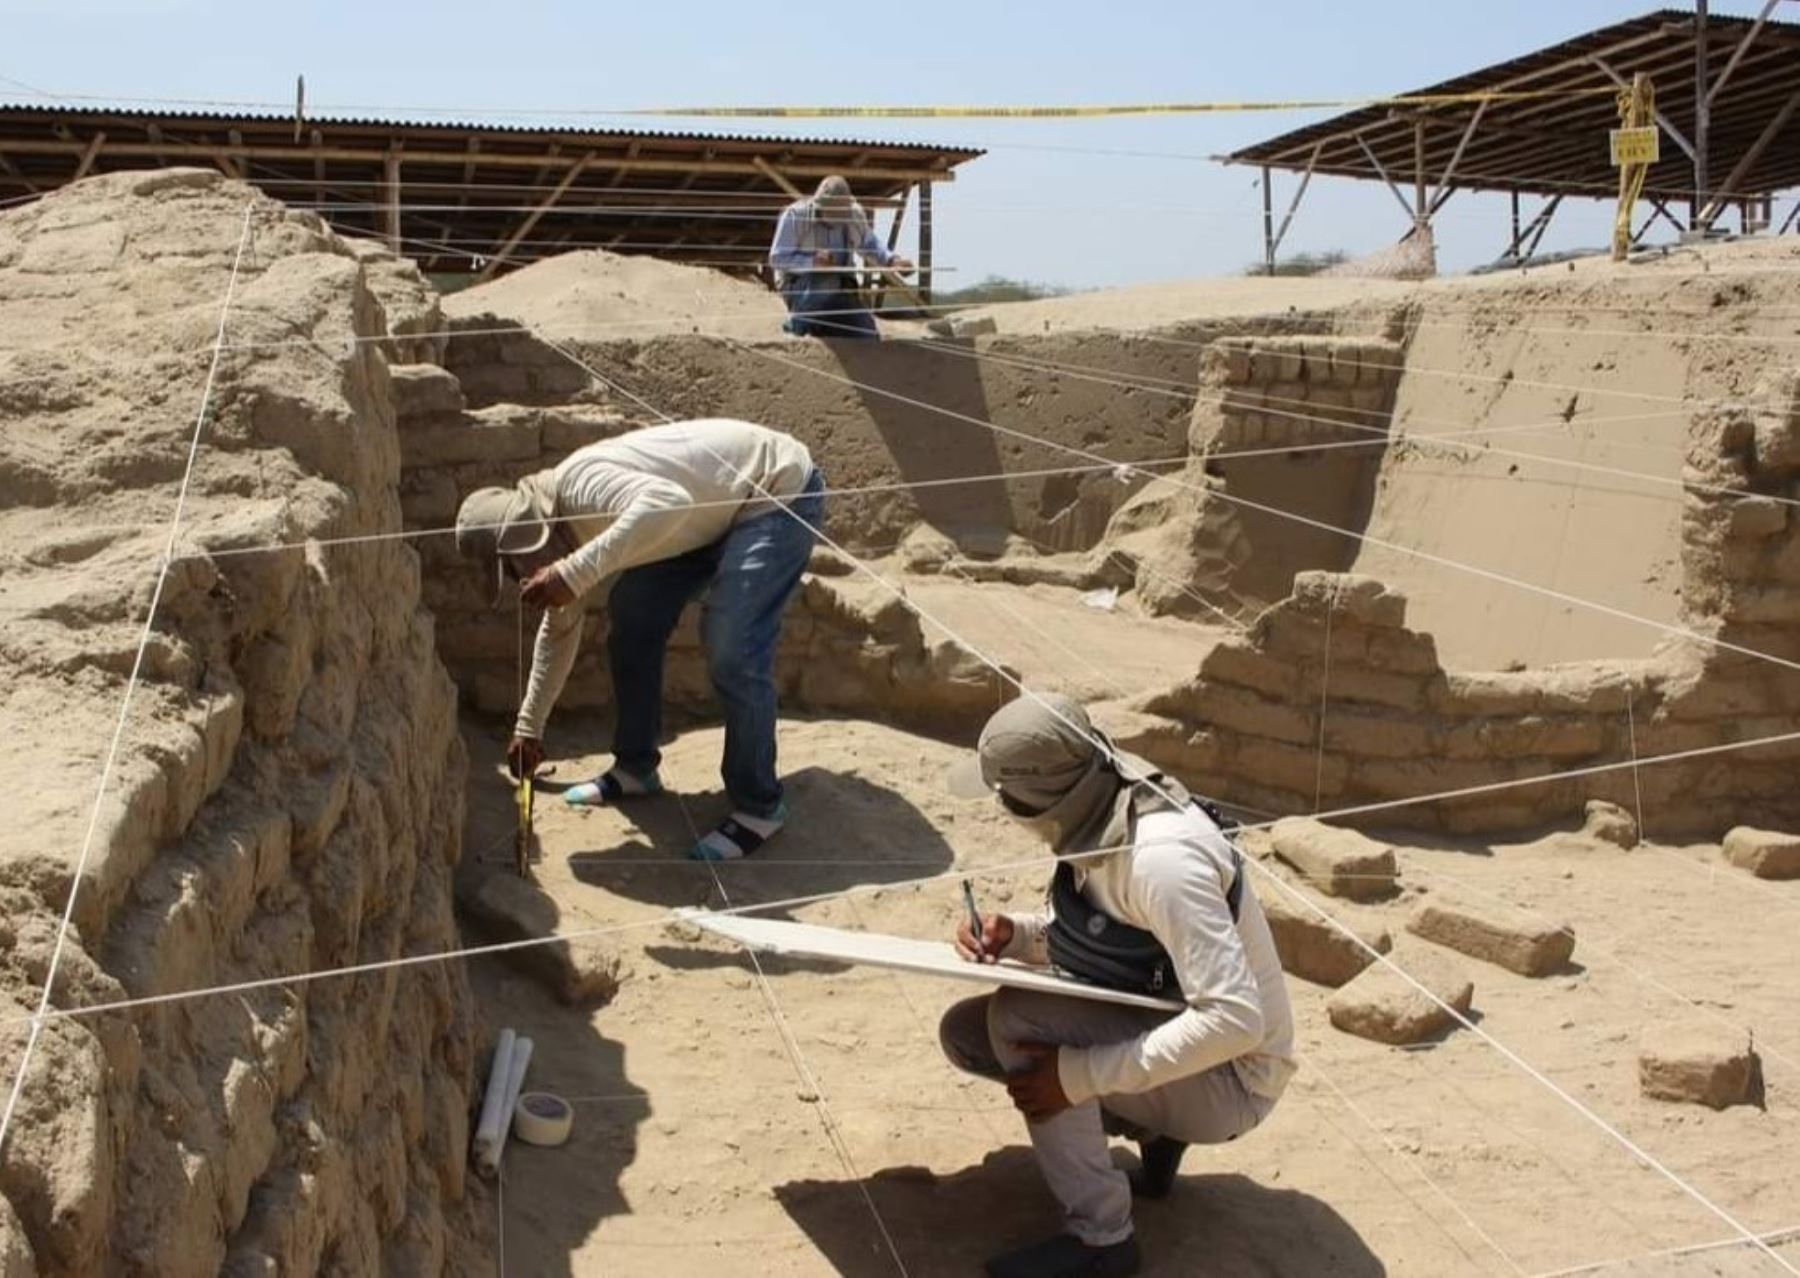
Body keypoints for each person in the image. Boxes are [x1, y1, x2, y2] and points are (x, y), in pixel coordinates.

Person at [939, 694, 1296, 1278]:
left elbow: (1235, 1020)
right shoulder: (1097, 798)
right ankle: (1157, 1132)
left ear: (1037, 800)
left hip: (1236, 1080)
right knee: (966, 1032)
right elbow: (1124, 944)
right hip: (1183, 1039)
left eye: (1005, 798)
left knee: (1018, 1021)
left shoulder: (1162, 861)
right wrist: (1021, 936)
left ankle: (1102, 1240)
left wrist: (1076, 1078)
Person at [453, 418, 823, 861]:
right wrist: (529, 727)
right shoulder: (561, 538)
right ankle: (635, 768)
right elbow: (561, 625)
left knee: (731, 643)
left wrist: (572, 573)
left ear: (526, 535)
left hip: (772, 491)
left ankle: (758, 806)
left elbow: (668, 502)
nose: (521, 581)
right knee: (633, 614)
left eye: (513, 569)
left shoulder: (582, 486)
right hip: (705, 511)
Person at [768, 174, 911, 339]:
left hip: (841, 291)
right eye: (831, 211)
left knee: (867, 335)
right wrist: (812, 262)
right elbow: (777, 258)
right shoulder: (795, 215)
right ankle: (797, 327)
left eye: (840, 212)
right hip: (800, 289)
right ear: (818, 205)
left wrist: (892, 260)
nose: (836, 218)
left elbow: (869, 243)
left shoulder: (853, 215)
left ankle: (821, 325)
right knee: (826, 281)